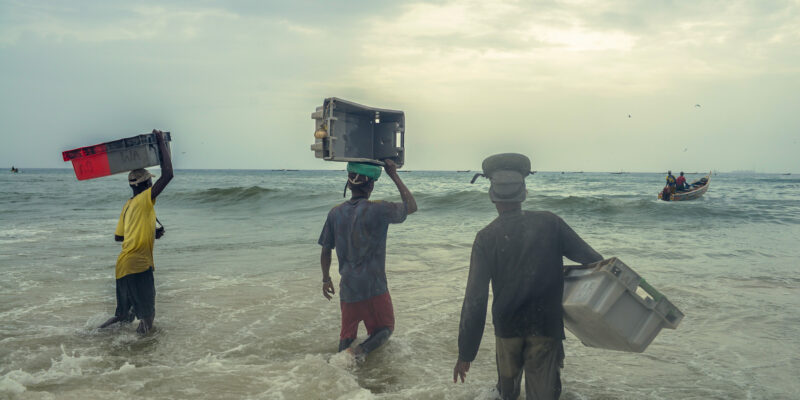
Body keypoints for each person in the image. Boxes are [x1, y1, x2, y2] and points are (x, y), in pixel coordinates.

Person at [452, 153, 603, 400]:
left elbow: (474, 300)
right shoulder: (550, 223)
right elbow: (594, 260)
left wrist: (465, 354)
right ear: (524, 193)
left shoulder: (486, 237)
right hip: (545, 327)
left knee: (507, 394)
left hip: (507, 329)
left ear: (492, 197)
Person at [318, 159, 417, 361]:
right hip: (374, 287)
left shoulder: (335, 213)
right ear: (371, 185)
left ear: (349, 184)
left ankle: (339, 368)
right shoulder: (379, 209)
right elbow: (411, 206)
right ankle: (358, 353)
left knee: (346, 337)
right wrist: (393, 174)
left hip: (349, 289)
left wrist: (326, 279)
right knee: (385, 328)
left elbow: (326, 249)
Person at [99, 130, 173, 334]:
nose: (152, 183)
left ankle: (92, 337)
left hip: (122, 265)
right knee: (147, 319)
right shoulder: (144, 199)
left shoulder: (128, 205)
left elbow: (119, 237)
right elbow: (168, 175)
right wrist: (161, 143)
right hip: (139, 265)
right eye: (150, 181)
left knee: (123, 317)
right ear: (147, 184)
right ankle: (142, 360)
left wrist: (151, 233)